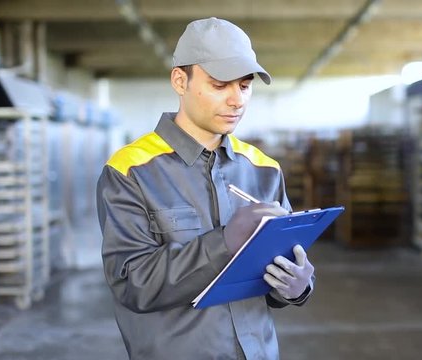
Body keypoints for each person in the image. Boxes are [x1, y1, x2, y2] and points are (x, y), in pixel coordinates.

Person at [96, 17, 315, 359]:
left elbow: (279, 266)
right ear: (180, 81)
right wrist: (223, 243)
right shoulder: (130, 171)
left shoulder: (263, 169)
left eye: (244, 86)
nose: (236, 100)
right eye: (219, 85)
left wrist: (296, 286)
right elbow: (132, 284)